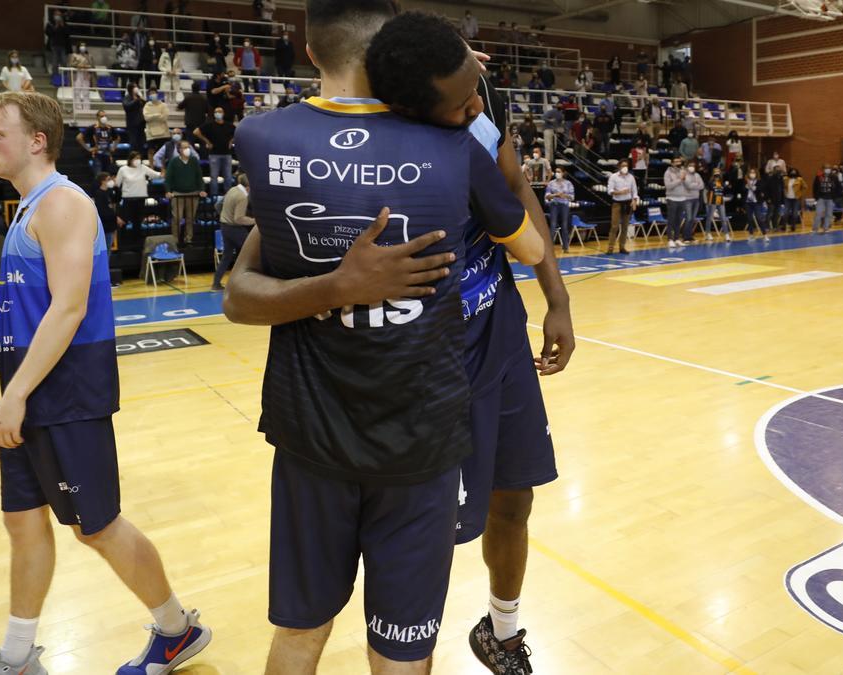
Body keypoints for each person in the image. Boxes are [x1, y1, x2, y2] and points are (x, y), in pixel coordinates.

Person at [226, 8, 545, 673]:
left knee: (298, 634)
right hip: (419, 442)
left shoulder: (262, 138)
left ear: (310, 48)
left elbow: (236, 296)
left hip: (311, 433)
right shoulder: (455, 150)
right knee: (402, 652)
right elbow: (533, 245)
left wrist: (334, 285)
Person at [0, 90, 211, 675]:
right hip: (34, 386)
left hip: (65, 390)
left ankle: (177, 631)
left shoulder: (62, 204)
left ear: (36, 140)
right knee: (22, 520)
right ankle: (17, 653)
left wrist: (16, 395)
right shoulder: (28, 207)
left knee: (96, 527)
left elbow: (69, 308)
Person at [211, 172, 254, 290]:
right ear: (248, 187)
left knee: (227, 256)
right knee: (250, 253)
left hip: (224, 227)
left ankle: (216, 283)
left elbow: (217, 205)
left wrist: (225, 216)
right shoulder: (242, 196)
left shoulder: (232, 190)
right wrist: (255, 221)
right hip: (235, 229)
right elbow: (239, 218)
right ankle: (244, 283)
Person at [162, 140, 206, 246]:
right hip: (178, 194)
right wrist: (168, 191)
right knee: (177, 218)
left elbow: (199, 177)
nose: (187, 149)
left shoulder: (194, 160)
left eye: (188, 147)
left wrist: (202, 189)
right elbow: (168, 178)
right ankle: (175, 240)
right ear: (179, 150)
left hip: (193, 193)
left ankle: (188, 239)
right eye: (185, 147)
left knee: (190, 218)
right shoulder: (174, 161)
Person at [114, 151, 161, 233]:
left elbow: (155, 174)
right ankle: (124, 240)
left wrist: (163, 173)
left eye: (139, 158)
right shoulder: (123, 169)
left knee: (138, 220)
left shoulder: (143, 168)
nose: (138, 160)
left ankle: (138, 238)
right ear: (130, 159)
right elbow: (117, 183)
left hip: (141, 198)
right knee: (125, 220)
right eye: (136, 158)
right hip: (128, 198)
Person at [194, 108, 235, 196]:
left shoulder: (229, 125)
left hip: (227, 154)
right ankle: (214, 196)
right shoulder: (209, 125)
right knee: (214, 177)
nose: (218, 113)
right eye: (216, 112)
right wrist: (207, 141)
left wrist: (231, 141)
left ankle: (228, 196)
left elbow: (238, 133)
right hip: (214, 154)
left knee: (228, 176)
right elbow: (196, 132)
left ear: (223, 113)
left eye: (219, 112)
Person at [607, 159, 639, 254]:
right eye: (623, 165)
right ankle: (610, 247)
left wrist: (634, 200)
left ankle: (622, 246)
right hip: (617, 203)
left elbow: (635, 191)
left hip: (627, 203)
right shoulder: (613, 177)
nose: (625, 167)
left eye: (626, 166)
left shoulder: (631, 177)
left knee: (625, 226)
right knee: (614, 226)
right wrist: (620, 192)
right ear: (619, 166)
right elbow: (610, 191)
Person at [77, 110, 119, 176]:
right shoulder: (92, 128)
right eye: (102, 116)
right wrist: (88, 149)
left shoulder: (110, 128)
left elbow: (117, 138)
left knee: (107, 176)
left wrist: (113, 147)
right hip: (97, 156)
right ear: (97, 117)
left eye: (105, 116)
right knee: (98, 177)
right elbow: (79, 137)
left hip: (107, 155)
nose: (104, 118)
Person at [91, 172, 121, 252]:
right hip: (105, 224)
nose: (110, 181)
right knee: (106, 248)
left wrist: (116, 188)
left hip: (111, 223)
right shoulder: (98, 194)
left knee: (109, 247)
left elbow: (117, 199)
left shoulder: (110, 191)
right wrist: (115, 217)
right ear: (102, 181)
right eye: (108, 179)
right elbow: (102, 210)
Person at [545, 168, 574, 253]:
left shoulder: (568, 183)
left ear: (563, 173)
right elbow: (547, 196)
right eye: (556, 172)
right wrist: (555, 195)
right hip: (554, 205)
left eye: (559, 172)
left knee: (564, 226)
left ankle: (565, 247)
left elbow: (572, 197)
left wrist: (564, 195)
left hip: (564, 205)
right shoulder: (551, 183)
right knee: (553, 226)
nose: (557, 173)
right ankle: (549, 247)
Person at [664, 155, 690, 248]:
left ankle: (677, 239)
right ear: (672, 163)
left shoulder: (682, 171)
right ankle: (670, 239)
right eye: (676, 162)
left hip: (682, 198)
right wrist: (680, 180)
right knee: (671, 220)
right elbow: (668, 186)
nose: (678, 163)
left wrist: (685, 179)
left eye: (679, 161)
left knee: (679, 220)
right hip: (672, 198)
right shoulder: (668, 173)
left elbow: (687, 184)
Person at [703, 167, 733, 242]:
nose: (717, 173)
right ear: (713, 173)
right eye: (715, 172)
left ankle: (726, 234)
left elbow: (724, 189)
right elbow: (710, 188)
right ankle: (708, 233)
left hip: (720, 201)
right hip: (712, 201)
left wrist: (727, 185)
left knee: (723, 218)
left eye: (718, 172)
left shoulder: (722, 181)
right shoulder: (710, 181)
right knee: (709, 218)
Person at [143, 88, 171, 162]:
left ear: (157, 94)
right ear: (148, 95)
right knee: (151, 151)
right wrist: (158, 115)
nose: (153, 95)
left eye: (154, 93)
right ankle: (151, 169)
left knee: (163, 152)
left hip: (163, 133)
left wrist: (152, 116)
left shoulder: (163, 105)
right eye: (150, 93)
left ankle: (162, 168)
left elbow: (164, 117)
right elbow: (146, 118)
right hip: (151, 133)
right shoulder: (146, 106)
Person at [744, 167, 771, 242]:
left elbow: (760, 189)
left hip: (757, 202)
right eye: (751, 172)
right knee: (749, 219)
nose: (752, 174)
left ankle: (765, 235)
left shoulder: (760, 181)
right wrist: (746, 187)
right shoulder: (746, 181)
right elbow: (742, 190)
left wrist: (752, 187)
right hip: (748, 202)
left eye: (754, 173)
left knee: (759, 218)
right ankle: (751, 234)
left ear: (756, 174)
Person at [812, 164, 840, 234]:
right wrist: (816, 197)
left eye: (828, 168)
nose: (827, 169)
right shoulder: (819, 176)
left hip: (830, 198)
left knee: (829, 214)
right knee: (818, 213)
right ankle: (815, 229)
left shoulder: (834, 177)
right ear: (823, 169)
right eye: (826, 168)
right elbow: (814, 187)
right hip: (821, 198)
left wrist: (835, 197)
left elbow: (838, 187)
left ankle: (826, 228)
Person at [682, 160, 705, 242]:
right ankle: (685, 237)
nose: (692, 167)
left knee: (692, 218)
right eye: (690, 165)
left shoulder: (697, 175)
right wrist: (696, 184)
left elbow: (702, 185)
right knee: (688, 218)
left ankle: (690, 236)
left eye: (693, 165)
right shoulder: (684, 175)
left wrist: (694, 185)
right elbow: (688, 186)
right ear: (687, 166)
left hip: (696, 199)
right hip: (687, 199)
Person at [122, 84, 147, 156]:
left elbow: (145, 105)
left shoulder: (139, 98)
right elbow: (127, 106)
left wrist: (141, 99)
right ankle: (131, 159)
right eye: (134, 87)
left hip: (141, 124)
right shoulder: (127, 97)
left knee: (141, 143)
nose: (136, 88)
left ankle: (140, 159)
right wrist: (136, 100)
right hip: (132, 125)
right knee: (133, 143)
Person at [44, 8, 70, 77]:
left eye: (59, 15)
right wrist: (56, 26)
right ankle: (55, 77)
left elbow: (68, 33)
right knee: (54, 63)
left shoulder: (64, 24)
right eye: (56, 14)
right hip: (53, 46)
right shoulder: (50, 24)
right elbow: (48, 33)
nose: (58, 16)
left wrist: (62, 25)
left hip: (63, 46)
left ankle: (65, 77)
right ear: (53, 15)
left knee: (64, 62)